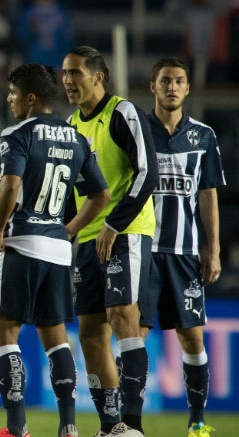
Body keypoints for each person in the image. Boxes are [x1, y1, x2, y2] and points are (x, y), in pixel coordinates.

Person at [0, 63, 109, 437]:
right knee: (55, 336)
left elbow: (10, 184)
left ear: (31, 98)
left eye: (13, 93)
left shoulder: (18, 133)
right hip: (57, 250)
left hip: (20, 243)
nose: (9, 99)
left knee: (4, 332)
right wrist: (69, 229)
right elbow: (100, 195)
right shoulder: (76, 138)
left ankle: (16, 427)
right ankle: (69, 425)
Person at [61, 45, 159, 437]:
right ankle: (110, 426)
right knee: (89, 333)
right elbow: (70, 190)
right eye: (65, 73)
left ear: (98, 77)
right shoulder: (70, 126)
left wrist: (114, 225)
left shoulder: (123, 113)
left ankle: (133, 425)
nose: (68, 80)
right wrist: (66, 233)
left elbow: (146, 173)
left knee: (123, 318)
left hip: (126, 232)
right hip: (87, 239)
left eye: (76, 73)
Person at [139, 57, 226, 437]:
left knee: (191, 336)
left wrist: (214, 248)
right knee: (133, 334)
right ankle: (129, 422)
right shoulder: (136, 131)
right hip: (140, 250)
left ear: (187, 88)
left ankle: (197, 421)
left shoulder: (203, 136)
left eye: (178, 81)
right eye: (165, 81)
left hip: (185, 254)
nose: (172, 87)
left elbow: (207, 195)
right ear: (152, 87)